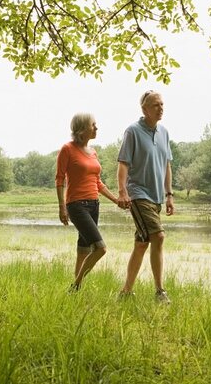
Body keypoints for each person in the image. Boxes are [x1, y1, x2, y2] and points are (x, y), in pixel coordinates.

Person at [116, 90, 175, 303]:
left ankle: (125, 293)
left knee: (142, 244)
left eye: (162, 104)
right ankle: (160, 292)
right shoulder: (132, 131)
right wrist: (123, 192)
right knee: (158, 236)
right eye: (155, 105)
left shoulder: (164, 133)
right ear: (144, 109)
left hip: (157, 196)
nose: (161, 108)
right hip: (138, 194)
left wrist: (169, 195)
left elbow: (166, 165)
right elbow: (123, 164)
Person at [56, 113, 121, 291]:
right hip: (76, 205)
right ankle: (75, 285)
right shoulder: (67, 149)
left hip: (94, 204)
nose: (97, 128)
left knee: (83, 249)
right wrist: (62, 208)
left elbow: (98, 182)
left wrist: (116, 199)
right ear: (82, 129)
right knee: (100, 248)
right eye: (93, 125)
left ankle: (75, 292)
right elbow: (60, 180)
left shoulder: (93, 152)